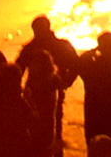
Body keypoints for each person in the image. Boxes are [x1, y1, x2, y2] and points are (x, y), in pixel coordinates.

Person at [18, 17, 79, 147]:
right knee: (47, 130)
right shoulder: (33, 47)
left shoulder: (36, 47)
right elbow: (18, 69)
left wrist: (65, 82)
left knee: (49, 130)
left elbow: (76, 65)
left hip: (49, 91)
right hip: (37, 93)